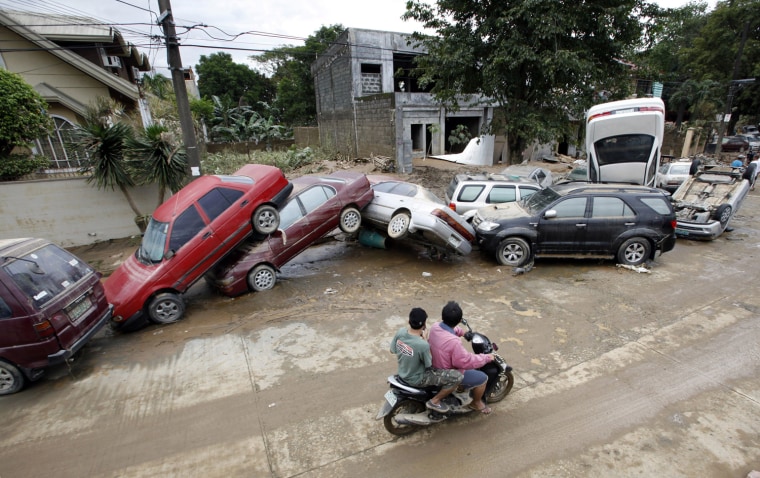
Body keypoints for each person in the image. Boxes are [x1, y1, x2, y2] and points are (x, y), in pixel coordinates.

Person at [428, 301, 496, 415]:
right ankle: (476, 402)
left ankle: (460, 389)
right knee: (482, 378)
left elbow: (451, 329)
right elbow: (465, 361)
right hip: (447, 372)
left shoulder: (435, 327)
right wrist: (486, 358)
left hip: (434, 363)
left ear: (442, 316)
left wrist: (463, 333)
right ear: (459, 321)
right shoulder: (454, 342)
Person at [390, 307, 463, 413]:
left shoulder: (400, 332)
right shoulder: (422, 345)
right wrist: (425, 340)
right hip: (418, 379)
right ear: (424, 325)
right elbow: (429, 364)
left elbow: (392, 350)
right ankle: (435, 401)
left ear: (409, 321)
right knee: (457, 377)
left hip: (403, 373)